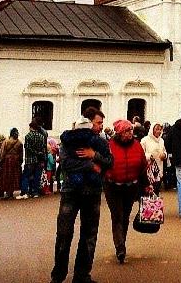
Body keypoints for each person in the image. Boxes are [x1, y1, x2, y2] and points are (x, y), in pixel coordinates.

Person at [51, 107, 112, 283]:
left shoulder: (100, 142)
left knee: (89, 234)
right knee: (64, 233)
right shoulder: (69, 140)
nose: (101, 126)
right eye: (98, 123)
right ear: (88, 122)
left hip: (92, 192)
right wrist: (91, 166)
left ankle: (82, 274)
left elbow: (109, 162)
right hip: (71, 191)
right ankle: (58, 275)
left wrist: (95, 155)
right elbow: (66, 164)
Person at [104, 119, 150, 264]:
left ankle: (121, 240)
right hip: (112, 186)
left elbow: (142, 167)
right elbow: (103, 164)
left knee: (125, 216)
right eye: (126, 131)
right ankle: (120, 247)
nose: (130, 133)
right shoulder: (109, 146)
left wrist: (146, 185)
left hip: (131, 187)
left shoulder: (137, 146)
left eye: (131, 130)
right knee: (117, 215)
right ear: (119, 132)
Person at [17, 121, 47, 199]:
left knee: (26, 176)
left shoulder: (28, 136)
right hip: (39, 160)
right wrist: (40, 155)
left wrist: (35, 152)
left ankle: (24, 192)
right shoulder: (41, 136)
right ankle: (35, 192)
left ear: (31, 127)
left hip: (30, 159)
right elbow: (43, 148)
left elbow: (27, 147)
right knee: (37, 176)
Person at [140, 122, 167, 195]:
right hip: (148, 172)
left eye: (160, 129)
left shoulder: (161, 141)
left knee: (156, 192)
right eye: (157, 129)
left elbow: (164, 151)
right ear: (152, 129)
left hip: (158, 171)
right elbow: (140, 154)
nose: (159, 131)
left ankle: (154, 206)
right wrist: (149, 156)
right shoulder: (144, 140)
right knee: (147, 193)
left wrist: (164, 155)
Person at [0, 127, 23, 198]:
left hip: (6, 161)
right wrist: (20, 162)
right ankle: (10, 192)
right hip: (15, 161)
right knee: (13, 177)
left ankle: (2, 191)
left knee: (4, 176)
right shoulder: (19, 143)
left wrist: (0, 161)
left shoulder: (6, 142)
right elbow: (21, 154)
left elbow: (2, 153)